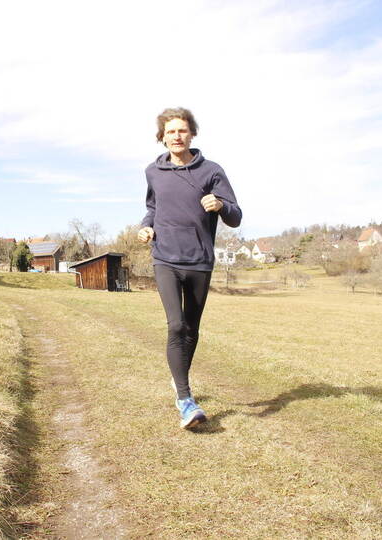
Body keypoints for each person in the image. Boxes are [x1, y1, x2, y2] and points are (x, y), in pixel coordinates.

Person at [138, 107, 242, 429]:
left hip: (199, 260)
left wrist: (220, 205)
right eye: (170, 131)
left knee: (191, 329)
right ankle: (185, 400)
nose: (176, 136)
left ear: (192, 134)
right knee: (176, 326)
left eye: (182, 130)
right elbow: (153, 208)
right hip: (165, 258)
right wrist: (146, 226)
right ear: (162, 137)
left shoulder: (211, 171)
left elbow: (236, 217)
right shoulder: (153, 172)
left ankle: (178, 375)